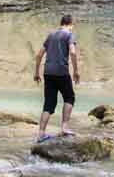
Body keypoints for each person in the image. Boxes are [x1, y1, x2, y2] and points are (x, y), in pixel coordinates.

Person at [34, 14, 80, 142]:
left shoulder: (51, 35)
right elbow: (72, 52)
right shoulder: (69, 35)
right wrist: (76, 71)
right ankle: (64, 126)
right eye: (73, 25)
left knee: (48, 104)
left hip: (47, 73)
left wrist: (37, 73)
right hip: (61, 72)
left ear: (61, 23)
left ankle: (41, 134)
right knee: (69, 97)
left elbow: (38, 55)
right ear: (70, 24)